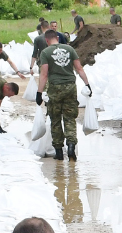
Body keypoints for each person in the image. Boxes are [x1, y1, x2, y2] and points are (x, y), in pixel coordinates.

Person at [36, 28, 92, 161]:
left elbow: (44, 74)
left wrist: (39, 92)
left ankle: (59, 151)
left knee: (55, 119)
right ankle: (71, 146)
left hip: (55, 88)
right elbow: (79, 68)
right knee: (69, 118)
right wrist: (87, 84)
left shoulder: (45, 52)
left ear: (47, 40)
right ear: (58, 37)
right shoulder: (69, 49)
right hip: (70, 87)